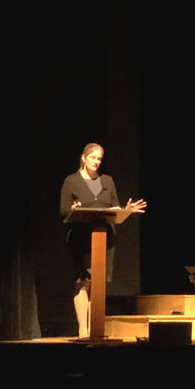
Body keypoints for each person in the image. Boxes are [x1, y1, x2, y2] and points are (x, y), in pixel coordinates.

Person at [60, 142, 147, 338]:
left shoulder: (108, 181)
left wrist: (126, 210)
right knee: (84, 282)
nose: (96, 162)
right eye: (93, 157)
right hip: (81, 239)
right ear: (83, 158)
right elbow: (64, 210)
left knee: (98, 283)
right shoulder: (71, 181)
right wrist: (74, 209)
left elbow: (114, 207)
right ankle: (83, 330)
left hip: (105, 238)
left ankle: (95, 329)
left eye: (99, 159)